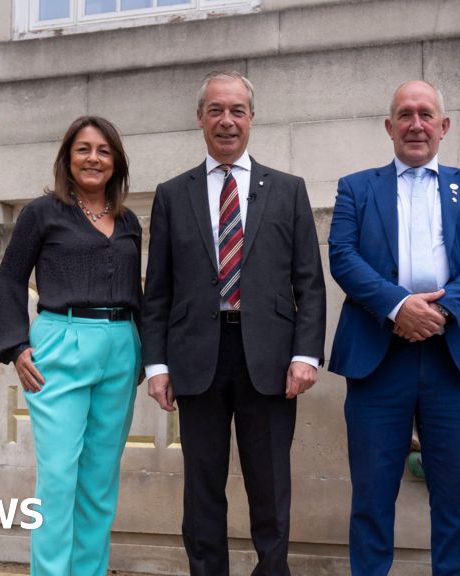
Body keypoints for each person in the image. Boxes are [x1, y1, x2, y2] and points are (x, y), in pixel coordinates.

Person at [141, 70, 327, 576]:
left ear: (252, 118)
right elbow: (158, 290)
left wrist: (305, 355)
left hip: (270, 360)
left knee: (270, 485)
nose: (227, 121)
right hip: (196, 358)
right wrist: (156, 365)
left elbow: (309, 282)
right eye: (216, 110)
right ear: (200, 118)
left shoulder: (288, 190)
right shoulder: (172, 194)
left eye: (237, 111)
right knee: (202, 489)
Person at [327, 81, 460, 576]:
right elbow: (343, 256)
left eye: (426, 114)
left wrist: (441, 312)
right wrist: (398, 306)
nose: (416, 124)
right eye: (405, 114)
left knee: (455, 502)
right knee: (371, 499)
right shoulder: (356, 188)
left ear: (443, 127)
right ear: (389, 127)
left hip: (453, 358)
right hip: (378, 358)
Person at [0, 116, 143, 576]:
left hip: (121, 345)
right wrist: (16, 345)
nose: (94, 158)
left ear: (116, 162)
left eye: (103, 150)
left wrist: (148, 354)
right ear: (68, 158)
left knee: (99, 482)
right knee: (58, 478)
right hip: (61, 343)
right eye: (84, 149)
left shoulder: (129, 220)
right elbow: (10, 278)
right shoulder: (42, 213)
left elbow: (140, 291)